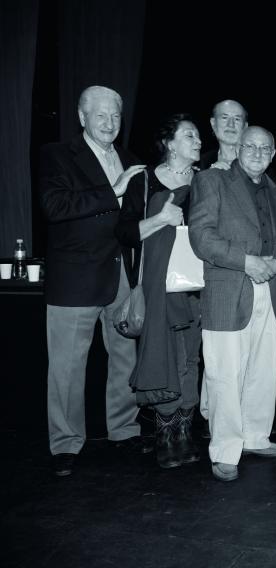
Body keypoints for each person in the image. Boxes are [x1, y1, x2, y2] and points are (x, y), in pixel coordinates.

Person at [40, 85, 150, 477]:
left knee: (124, 359)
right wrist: (113, 190)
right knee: (68, 368)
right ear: (82, 117)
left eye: (115, 116)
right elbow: (55, 207)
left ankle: (124, 430)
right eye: (100, 115)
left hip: (121, 274)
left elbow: (132, 222)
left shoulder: (131, 160)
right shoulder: (56, 155)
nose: (109, 123)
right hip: (75, 277)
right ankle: (66, 443)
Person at [189, 126, 276, 481]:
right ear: (238, 148)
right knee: (225, 374)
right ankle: (224, 449)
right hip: (229, 288)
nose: (256, 151)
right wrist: (248, 261)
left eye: (264, 147)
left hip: (270, 288)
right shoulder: (212, 181)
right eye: (249, 145)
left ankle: (255, 436)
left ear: (273, 152)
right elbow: (202, 237)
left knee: (262, 371)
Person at [116, 114, 203, 468]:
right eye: (189, 135)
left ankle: (184, 429)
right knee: (168, 354)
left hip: (196, 284)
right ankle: (165, 433)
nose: (198, 140)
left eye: (198, 135)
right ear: (169, 143)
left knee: (191, 358)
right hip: (157, 285)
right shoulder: (145, 181)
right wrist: (160, 220)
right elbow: (122, 233)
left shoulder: (207, 181)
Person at [198, 99, 248, 170]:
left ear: (245, 127)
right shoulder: (200, 164)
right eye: (224, 118)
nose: (231, 124)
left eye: (237, 119)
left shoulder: (258, 161)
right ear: (213, 123)